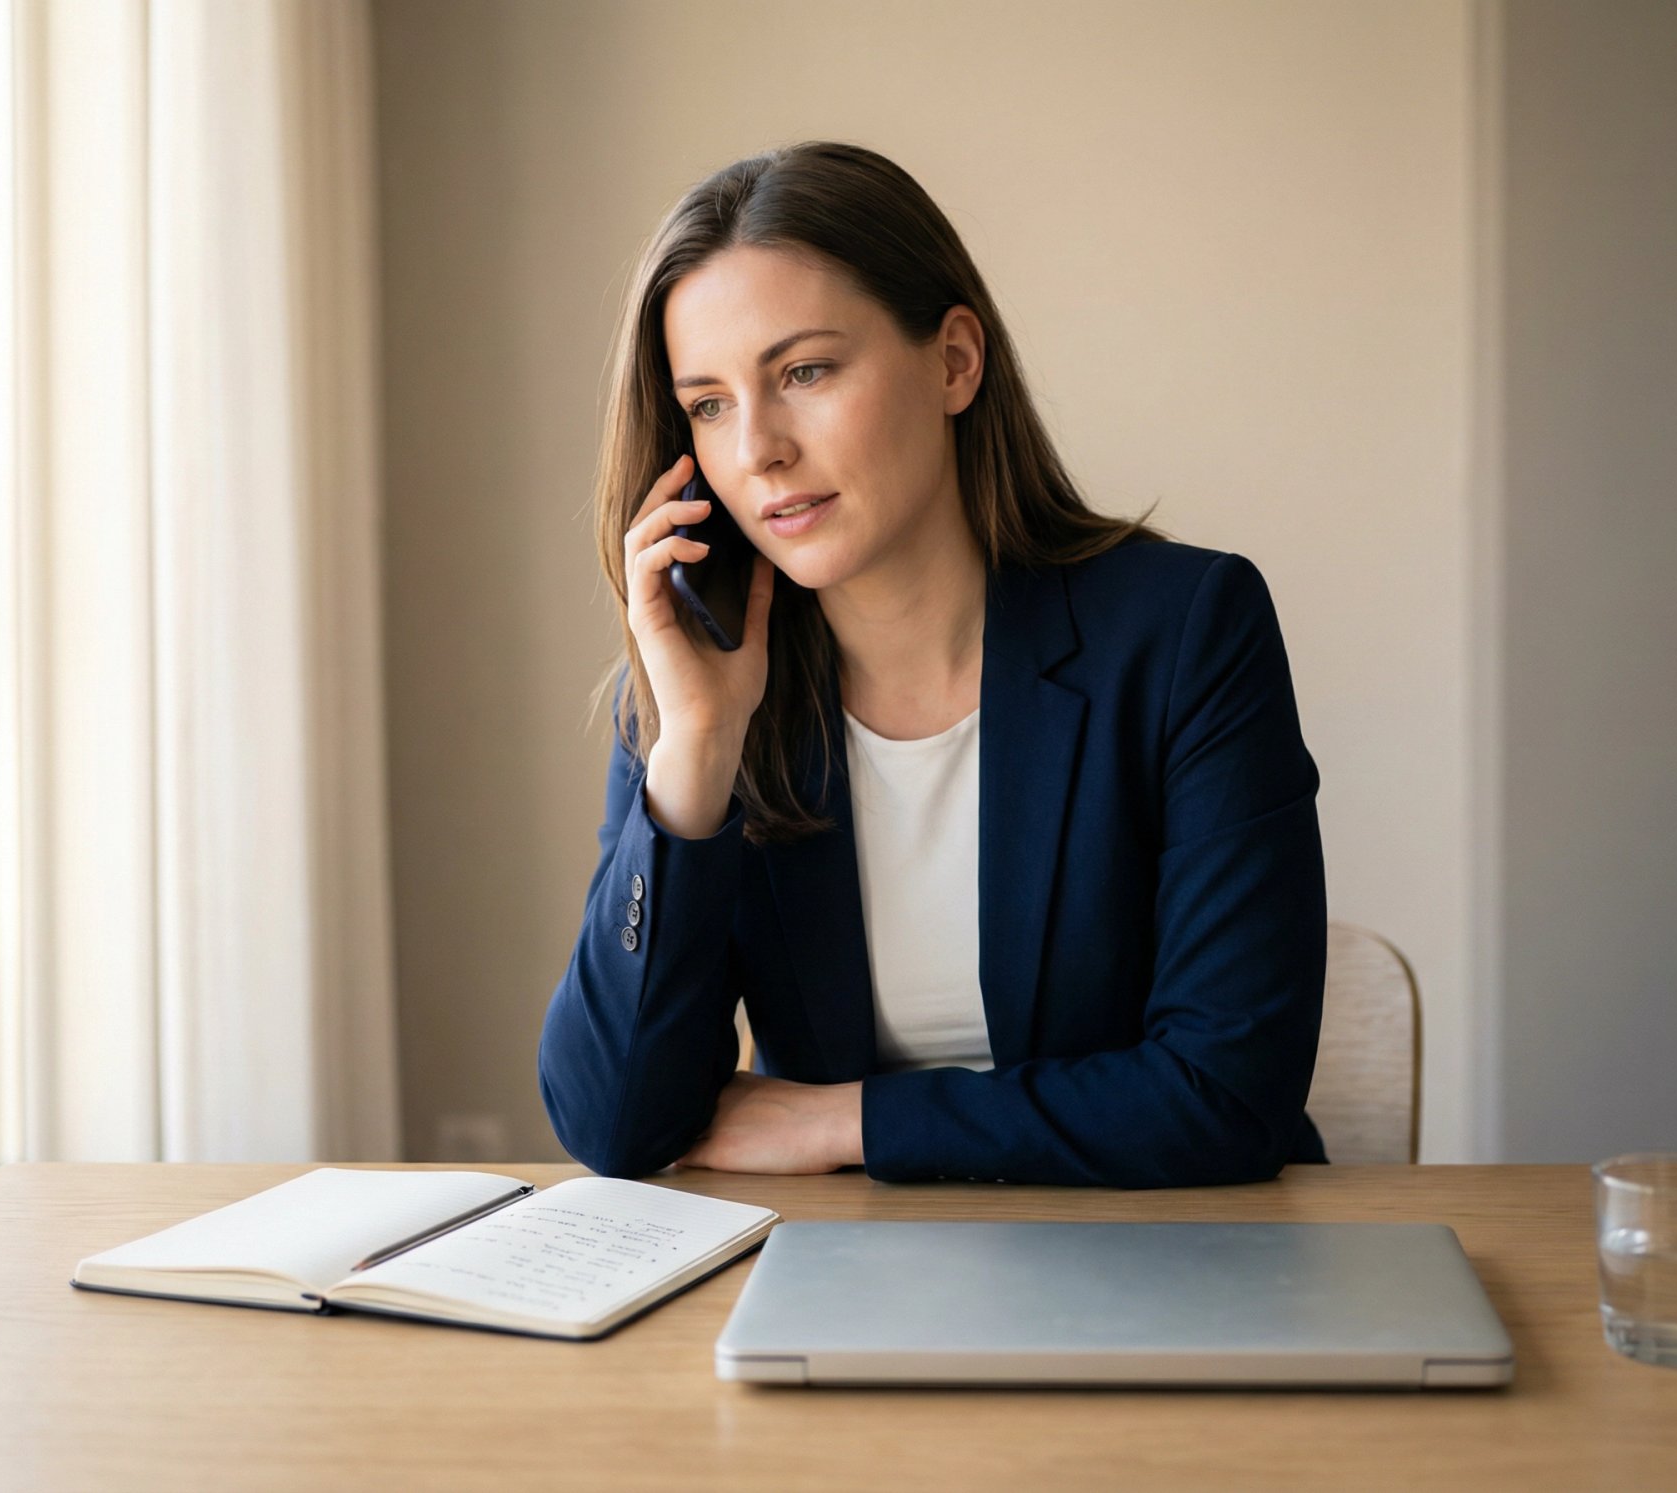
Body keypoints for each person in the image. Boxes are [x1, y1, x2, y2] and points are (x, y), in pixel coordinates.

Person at [537, 141, 1328, 1188]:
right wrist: (694, 757)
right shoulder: (703, 692)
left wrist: (840, 1122)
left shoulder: (1184, 630)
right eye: (709, 404)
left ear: (954, 361)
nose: (757, 449)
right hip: (848, 1281)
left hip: (1168, 1259)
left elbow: (1223, 1095)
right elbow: (614, 1122)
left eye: (804, 371)